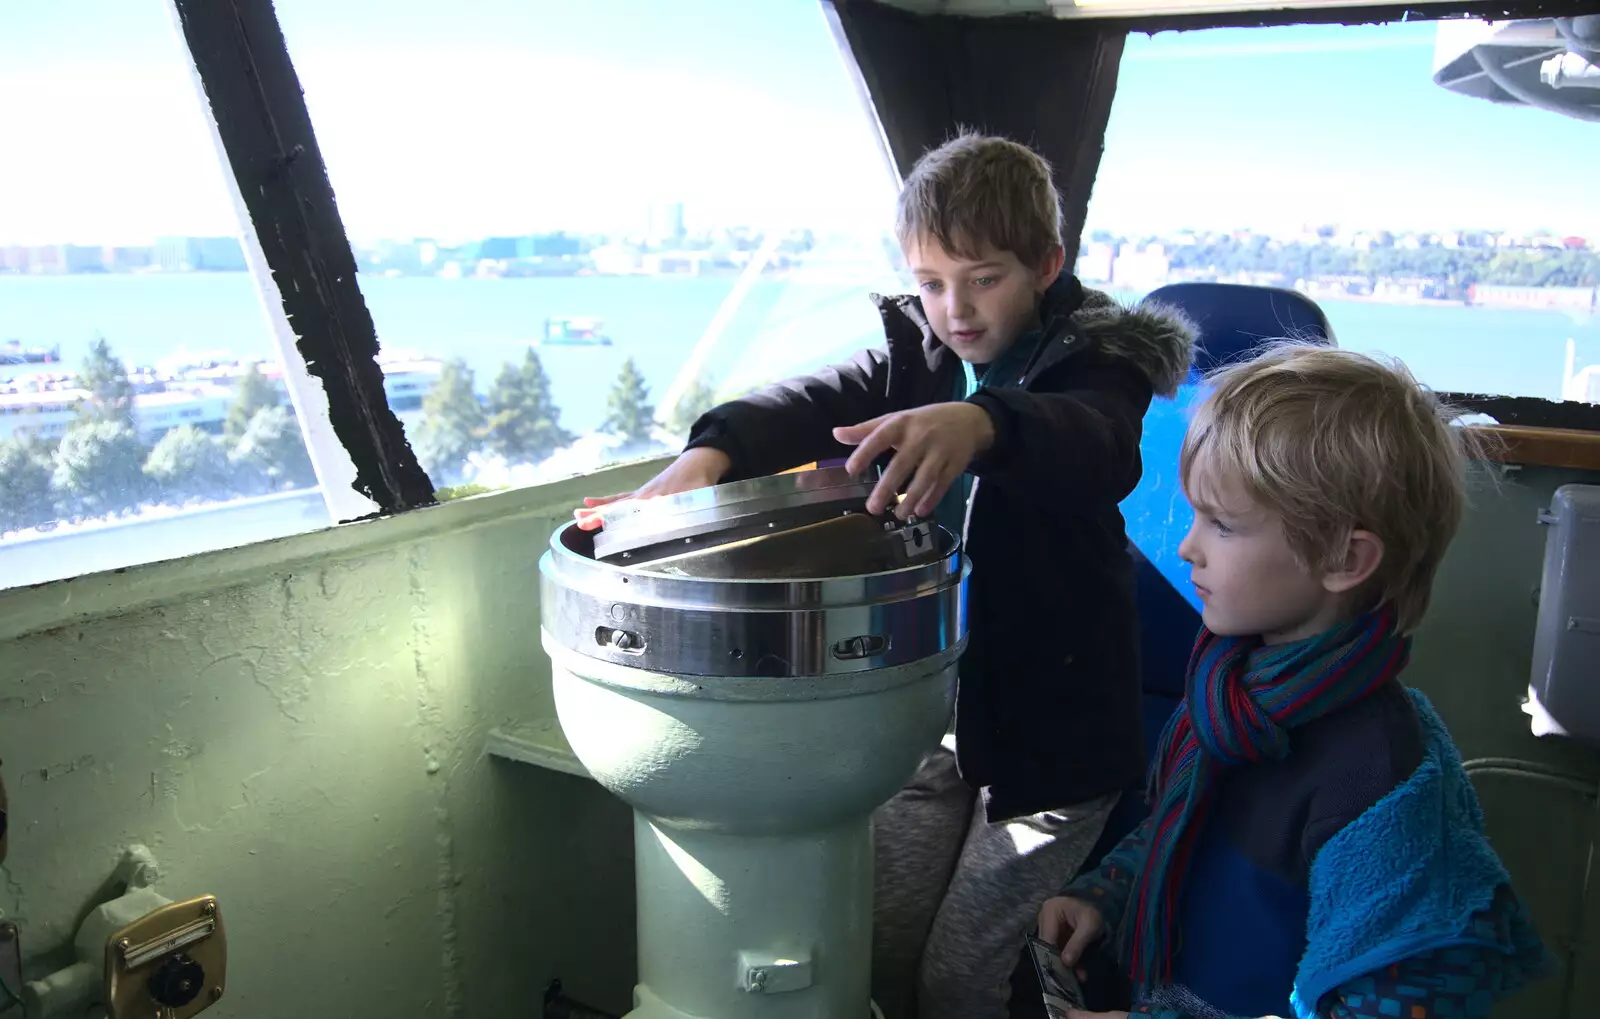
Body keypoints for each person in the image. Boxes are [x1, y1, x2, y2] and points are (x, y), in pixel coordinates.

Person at [578, 132, 1195, 1018]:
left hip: (1057, 740)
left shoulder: (1101, 361)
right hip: (930, 717)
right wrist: (708, 455)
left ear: (1047, 264)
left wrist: (982, 426)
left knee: (963, 980)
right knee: (876, 946)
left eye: (985, 277)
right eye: (933, 282)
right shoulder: (919, 354)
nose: (957, 308)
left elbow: (1095, 444)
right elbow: (807, 403)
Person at [1036, 344, 1553, 1019]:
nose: (1188, 546)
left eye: (1221, 523)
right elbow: (1187, 828)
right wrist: (1107, 892)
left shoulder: (1384, 783)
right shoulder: (1228, 694)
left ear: (1343, 557)